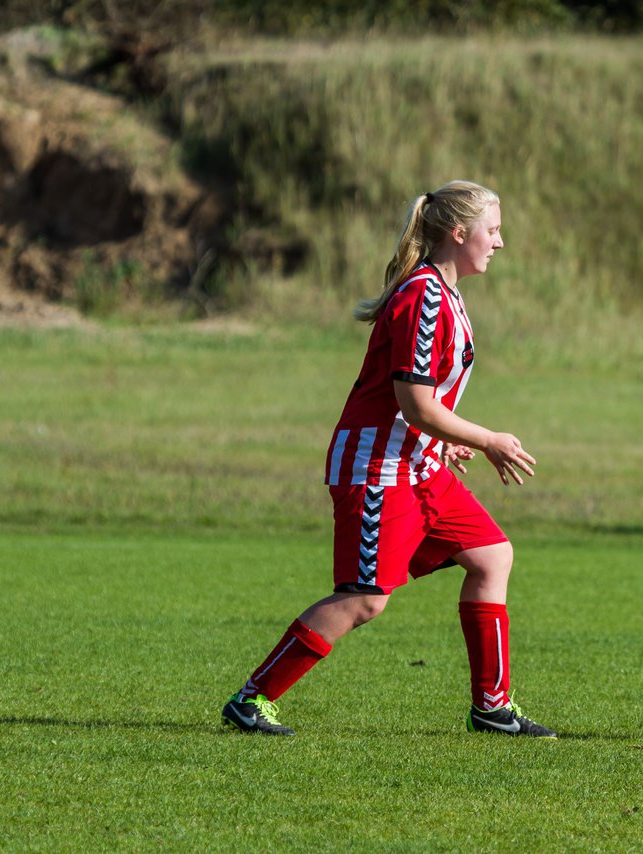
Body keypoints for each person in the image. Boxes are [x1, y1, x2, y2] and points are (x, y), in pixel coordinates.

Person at [220, 180, 557, 738]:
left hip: (416, 464)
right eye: (492, 231)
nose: (500, 242)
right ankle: (251, 700)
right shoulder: (423, 297)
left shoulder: (444, 293)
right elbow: (416, 403)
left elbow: (420, 406)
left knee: (492, 555)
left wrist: (440, 439)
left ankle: (491, 707)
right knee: (364, 599)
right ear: (458, 233)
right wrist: (485, 439)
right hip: (377, 470)